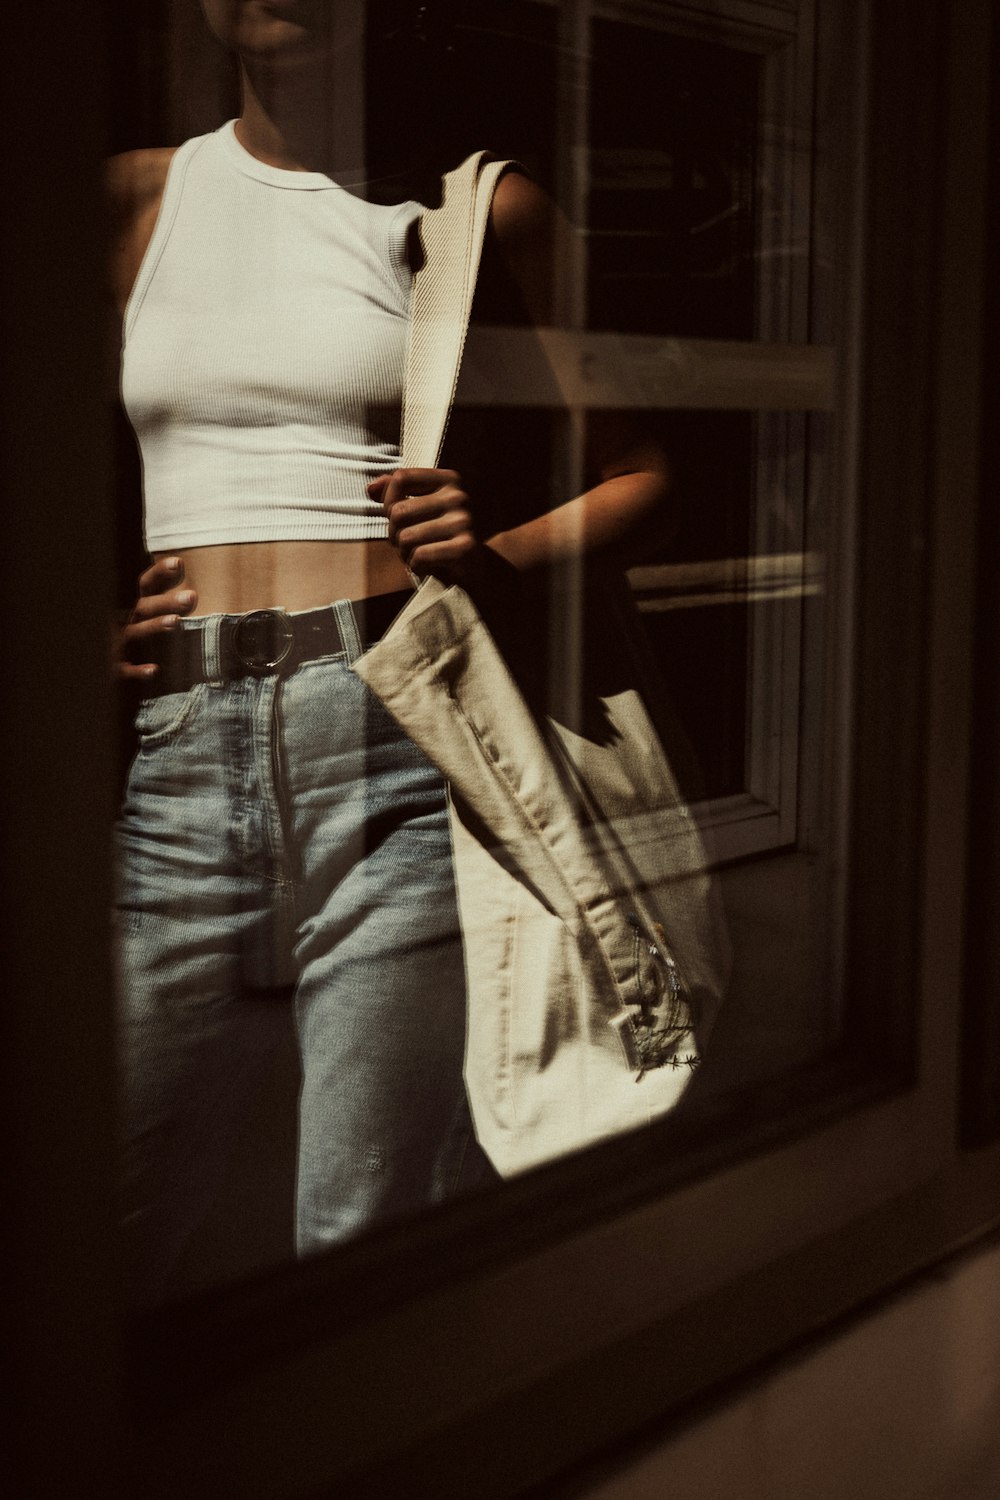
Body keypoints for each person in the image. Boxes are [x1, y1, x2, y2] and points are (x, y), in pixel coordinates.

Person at [108, 0, 671, 1304]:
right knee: (104, 1212)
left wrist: (495, 552)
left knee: (358, 1231)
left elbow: (648, 475)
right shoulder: (137, 202)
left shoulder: (473, 211)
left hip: (398, 742)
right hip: (178, 760)